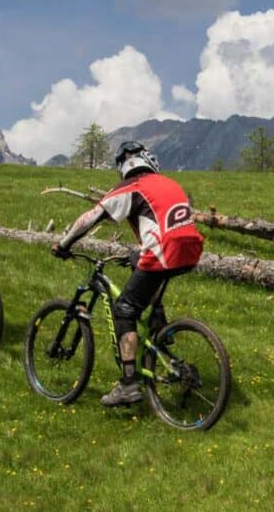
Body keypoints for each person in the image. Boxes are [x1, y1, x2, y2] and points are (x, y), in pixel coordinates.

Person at [51, 141, 204, 407]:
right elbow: (158, 221)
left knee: (124, 309)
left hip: (162, 251)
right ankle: (159, 321)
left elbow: (89, 218)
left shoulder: (132, 187)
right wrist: (136, 255)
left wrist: (63, 245)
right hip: (191, 248)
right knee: (146, 268)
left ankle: (129, 383)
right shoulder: (168, 183)